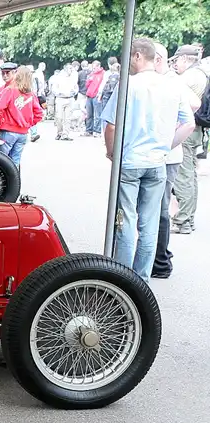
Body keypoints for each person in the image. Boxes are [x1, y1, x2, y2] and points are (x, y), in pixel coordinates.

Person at [101, 37, 195, 282]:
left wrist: (112, 152)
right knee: (150, 224)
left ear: (138, 56)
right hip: (157, 163)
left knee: (126, 221)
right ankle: (141, 280)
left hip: (130, 161)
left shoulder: (128, 85)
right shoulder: (172, 86)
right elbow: (189, 122)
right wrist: (166, 146)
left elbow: (110, 126)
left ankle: (122, 280)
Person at [152, 42, 201, 278]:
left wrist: (169, 138)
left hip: (166, 153)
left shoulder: (171, 81)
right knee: (157, 207)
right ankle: (159, 258)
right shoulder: (171, 81)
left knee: (159, 207)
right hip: (166, 151)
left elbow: (195, 106)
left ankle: (160, 259)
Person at [171, 44, 208, 234]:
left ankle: (183, 220)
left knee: (183, 175)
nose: (175, 64)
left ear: (185, 59)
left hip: (187, 127)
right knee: (191, 175)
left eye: (177, 60)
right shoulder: (202, 74)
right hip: (198, 129)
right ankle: (188, 218)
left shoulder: (189, 77)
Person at [0, 66, 44, 167]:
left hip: (8, 131)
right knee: (15, 162)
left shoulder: (9, 90)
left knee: (1, 162)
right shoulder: (31, 94)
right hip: (23, 133)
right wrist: (28, 124)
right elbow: (39, 113)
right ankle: (14, 182)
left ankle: (2, 182)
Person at [53, 64, 79, 141]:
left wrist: (74, 92)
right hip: (60, 99)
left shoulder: (73, 78)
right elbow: (54, 88)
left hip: (70, 99)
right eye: (70, 68)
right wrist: (59, 93)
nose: (71, 70)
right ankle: (59, 133)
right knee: (59, 117)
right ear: (65, 69)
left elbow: (76, 87)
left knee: (68, 118)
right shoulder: (59, 77)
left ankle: (65, 134)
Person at [83, 60, 105, 137]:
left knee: (97, 114)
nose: (93, 69)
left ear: (99, 66)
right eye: (93, 67)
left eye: (95, 67)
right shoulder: (91, 74)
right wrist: (89, 79)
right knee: (89, 114)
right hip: (89, 95)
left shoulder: (103, 74)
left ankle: (97, 130)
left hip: (96, 96)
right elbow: (86, 85)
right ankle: (89, 130)